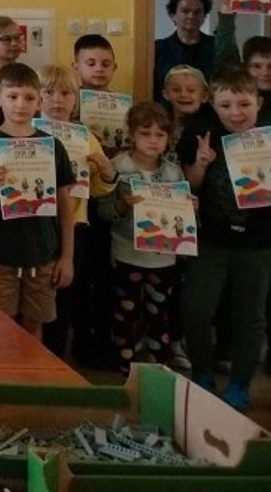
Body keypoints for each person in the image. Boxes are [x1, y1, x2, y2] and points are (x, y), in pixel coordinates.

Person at [181, 69, 271, 412]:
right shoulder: (202, 133)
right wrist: (201, 164)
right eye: (226, 105)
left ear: (258, 103)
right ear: (213, 104)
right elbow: (191, 186)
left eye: (244, 104)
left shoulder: (267, 137)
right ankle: (202, 372)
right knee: (197, 308)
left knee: (250, 316)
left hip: (259, 244)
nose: (236, 112)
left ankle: (240, 383)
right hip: (211, 241)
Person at [0, 63, 77, 337]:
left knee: (33, 326)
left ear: (39, 102)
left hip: (43, 253)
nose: (20, 105)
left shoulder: (52, 146)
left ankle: (32, 367)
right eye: (13, 96)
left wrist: (67, 257)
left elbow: (65, 204)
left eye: (29, 98)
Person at [35, 62, 118, 361]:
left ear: (76, 98)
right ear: (37, 96)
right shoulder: (27, 131)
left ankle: (56, 358)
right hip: (34, 225)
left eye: (66, 93)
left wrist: (107, 173)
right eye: (48, 92)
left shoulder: (85, 136)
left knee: (64, 297)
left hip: (74, 227)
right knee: (34, 298)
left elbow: (97, 190)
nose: (57, 100)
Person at [96, 101, 184, 369]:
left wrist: (190, 209)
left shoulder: (173, 171)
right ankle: (127, 367)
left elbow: (182, 221)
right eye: (145, 133)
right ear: (132, 134)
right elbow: (103, 210)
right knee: (126, 312)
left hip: (163, 258)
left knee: (160, 314)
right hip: (127, 253)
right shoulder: (118, 167)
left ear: (168, 138)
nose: (153, 140)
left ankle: (160, 367)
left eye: (160, 134)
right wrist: (123, 205)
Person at [152, 0, 215, 101]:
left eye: (197, 12)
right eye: (185, 11)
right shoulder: (157, 48)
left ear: (204, 17)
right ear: (173, 15)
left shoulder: (215, 46)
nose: (191, 16)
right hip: (166, 110)